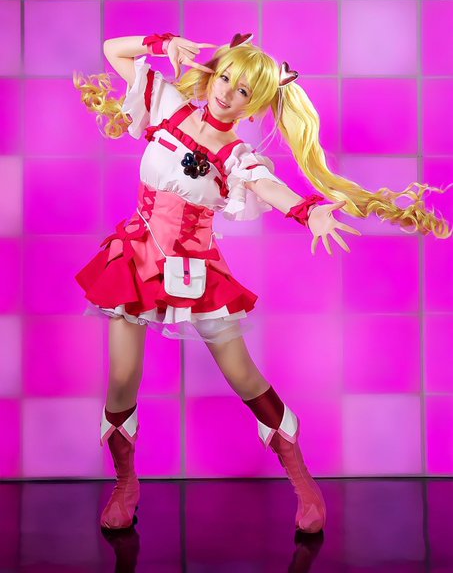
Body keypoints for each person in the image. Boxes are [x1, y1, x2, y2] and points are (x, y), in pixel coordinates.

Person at [73, 32, 452, 535]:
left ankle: (302, 480)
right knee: (122, 378)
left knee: (244, 377)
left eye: (243, 91)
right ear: (214, 73)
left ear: (255, 106)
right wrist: (162, 44)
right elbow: (113, 50)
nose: (227, 92)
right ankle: (126, 484)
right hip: (137, 256)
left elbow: (267, 186)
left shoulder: (237, 155)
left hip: (196, 267)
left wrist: (307, 211)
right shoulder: (166, 106)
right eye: (226, 77)